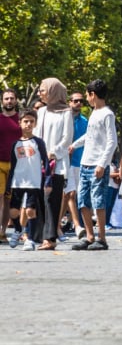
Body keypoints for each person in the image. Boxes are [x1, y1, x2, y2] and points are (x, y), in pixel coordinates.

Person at [70, 79, 118, 251]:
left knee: (98, 202)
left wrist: (102, 164)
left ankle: (102, 238)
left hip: (97, 165)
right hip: (84, 164)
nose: (85, 98)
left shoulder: (107, 114)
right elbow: (89, 137)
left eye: (87, 95)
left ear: (93, 95)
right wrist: (74, 145)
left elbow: (112, 142)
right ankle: (90, 237)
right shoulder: (93, 114)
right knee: (83, 201)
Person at [36, 78, 73, 250]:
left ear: (53, 91)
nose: (39, 93)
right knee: (39, 199)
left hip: (56, 164)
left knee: (52, 200)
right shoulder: (41, 111)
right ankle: (40, 235)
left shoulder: (66, 112)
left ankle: (50, 238)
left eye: (43, 90)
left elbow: (67, 138)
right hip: (39, 163)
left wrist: (54, 152)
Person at [8, 109, 48, 250]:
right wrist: (8, 184)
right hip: (18, 182)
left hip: (33, 182)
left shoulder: (38, 142)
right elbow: (12, 166)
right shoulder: (15, 144)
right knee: (13, 211)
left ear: (35, 123)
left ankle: (29, 238)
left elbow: (46, 161)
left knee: (31, 211)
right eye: (25, 121)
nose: (28, 124)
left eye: (31, 121)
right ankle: (18, 230)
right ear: (19, 123)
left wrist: (47, 180)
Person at [63, 92, 88, 239]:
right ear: (69, 102)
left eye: (81, 101)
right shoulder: (64, 119)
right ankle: (77, 225)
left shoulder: (85, 121)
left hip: (79, 160)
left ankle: (65, 223)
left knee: (73, 195)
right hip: (65, 161)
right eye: (76, 101)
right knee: (69, 193)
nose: (78, 103)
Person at [0, 89, 21, 244]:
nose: (9, 101)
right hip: (0, 163)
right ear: (2, 101)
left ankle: (3, 232)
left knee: (8, 200)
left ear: (16, 100)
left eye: (11, 98)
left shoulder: (22, 120)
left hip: (16, 165)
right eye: (6, 98)